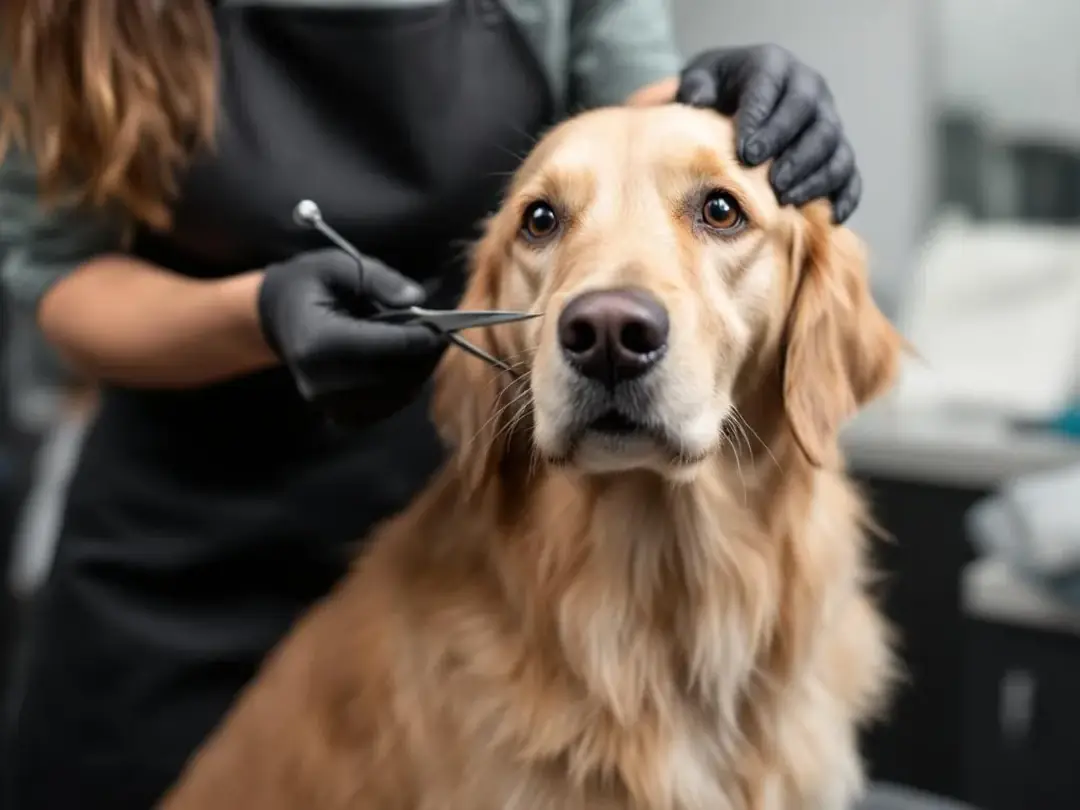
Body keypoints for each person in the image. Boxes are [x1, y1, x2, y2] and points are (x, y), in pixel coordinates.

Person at [0, 1, 861, 808]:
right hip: (177, 570)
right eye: (540, 226)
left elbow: (627, 131)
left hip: (478, 535)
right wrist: (258, 316)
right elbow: (58, 270)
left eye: (717, 216)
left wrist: (726, 105)